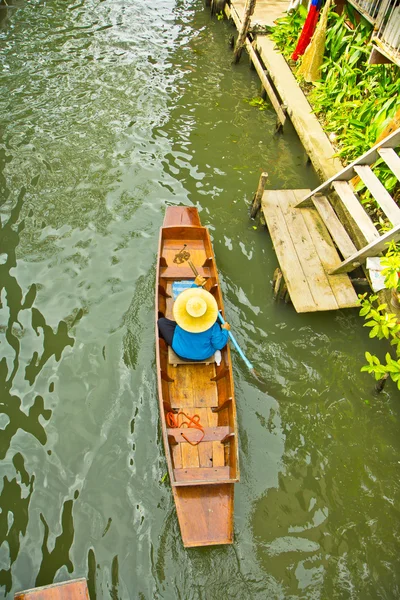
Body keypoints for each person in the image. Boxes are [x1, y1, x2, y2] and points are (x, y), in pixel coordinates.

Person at [158, 275, 230, 361]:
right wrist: (225, 330)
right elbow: (218, 345)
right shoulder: (213, 326)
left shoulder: (181, 315)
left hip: (181, 353)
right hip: (203, 355)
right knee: (219, 321)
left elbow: (185, 298)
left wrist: (195, 285)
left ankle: (167, 345)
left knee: (161, 322)